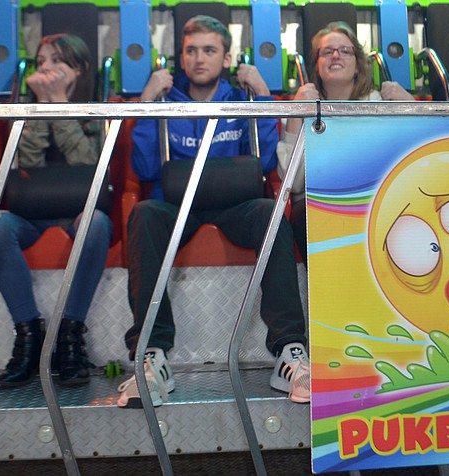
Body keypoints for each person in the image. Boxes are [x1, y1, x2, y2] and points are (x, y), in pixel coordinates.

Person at [118, 15, 310, 407]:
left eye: (209, 50)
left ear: (226, 58)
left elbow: (267, 161)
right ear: (180, 58)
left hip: (235, 204)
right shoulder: (167, 101)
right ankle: (151, 357)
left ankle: (290, 353)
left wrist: (263, 97)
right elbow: (144, 167)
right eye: (191, 51)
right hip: (177, 205)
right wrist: (147, 103)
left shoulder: (241, 100)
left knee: (269, 214)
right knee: (144, 215)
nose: (199, 59)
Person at [0, 33, 112, 388]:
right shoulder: (27, 107)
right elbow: (26, 161)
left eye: (57, 61)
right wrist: (42, 109)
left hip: (79, 208)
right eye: (42, 62)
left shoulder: (96, 109)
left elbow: (88, 161)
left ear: (80, 69)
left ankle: (70, 335)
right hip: (31, 208)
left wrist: (59, 105)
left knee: (97, 225)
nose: (47, 68)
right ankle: (28, 334)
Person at [277, 21, 415, 262]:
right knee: (304, 214)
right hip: (319, 204)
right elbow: (293, 183)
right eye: (326, 51)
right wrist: (296, 115)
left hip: (375, 199)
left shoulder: (380, 103)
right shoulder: (303, 105)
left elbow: (415, 158)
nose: (335, 56)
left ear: (358, 64)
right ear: (316, 65)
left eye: (345, 50)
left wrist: (412, 107)